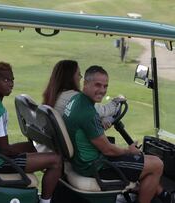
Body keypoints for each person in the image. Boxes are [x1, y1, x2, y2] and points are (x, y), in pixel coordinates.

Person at [62, 65, 171, 203]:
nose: (102, 90)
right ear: (86, 83)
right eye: (97, 85)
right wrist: (129, 151)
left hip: (84, 160)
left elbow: (91, 133)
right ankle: (161, 195)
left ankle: (162, 195)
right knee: (156, 164)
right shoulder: (87, 113)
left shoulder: (76, 100)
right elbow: (108, 150)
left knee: (142, 162)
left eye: (105, 86)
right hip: (96, 166)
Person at [0, 62, 62, 203]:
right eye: (6, 80)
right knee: (56, 160)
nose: (11, 84)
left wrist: (31, 150)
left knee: (33, 148)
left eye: (12, 80)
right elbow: (5, 150)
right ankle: (45, 201)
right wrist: (27, 153)